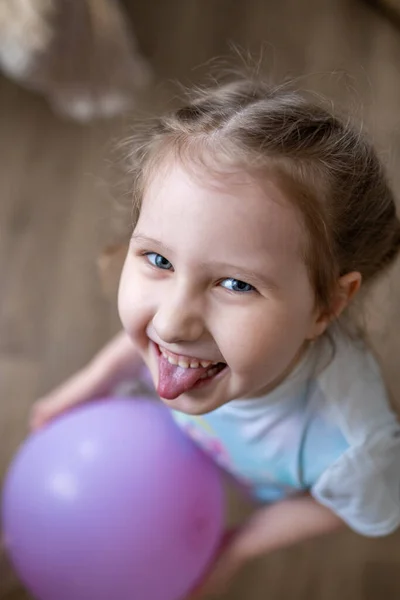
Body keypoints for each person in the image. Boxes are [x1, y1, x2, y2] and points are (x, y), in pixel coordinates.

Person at [30, 76, 400, 597]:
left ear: (328, 304)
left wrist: (241, 544)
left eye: (235, 284)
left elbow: (346, 504)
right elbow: (148, 344)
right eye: (159, 259)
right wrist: (92, 381)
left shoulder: (350, 449)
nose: (171, 323)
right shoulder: (189, 342)